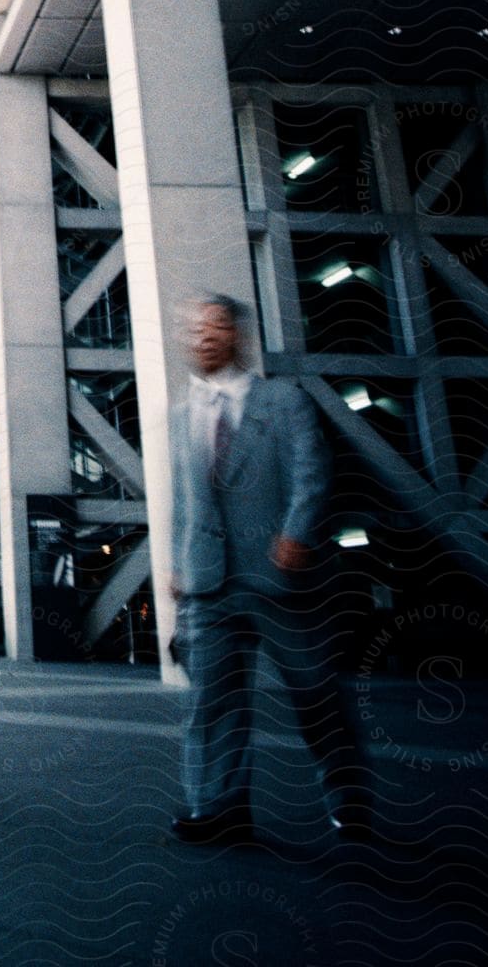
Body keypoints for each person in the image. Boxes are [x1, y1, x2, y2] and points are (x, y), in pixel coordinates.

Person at [168, 293, 370, 845]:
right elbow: (184, 501)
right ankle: (218, 806)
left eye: (215, 325)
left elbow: (312, 473)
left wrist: (297, 534)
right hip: (209, 584)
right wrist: (178, 566)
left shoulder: (284, 400)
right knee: (212, 700)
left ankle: (348, 796)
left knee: (315, 694)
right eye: (194, 327)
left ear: (237, 334)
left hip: (281, 578)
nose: (203, 335)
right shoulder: (181, 415)